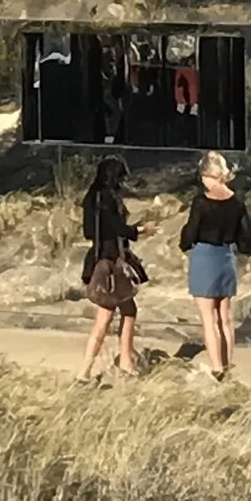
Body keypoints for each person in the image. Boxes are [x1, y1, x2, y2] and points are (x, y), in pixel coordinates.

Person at [178, 151, 251, 383]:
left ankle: (216, 367)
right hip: (226, 257)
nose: (202, 180)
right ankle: (227, 363)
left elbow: (190, 232)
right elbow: (247, 239)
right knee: (225, 317)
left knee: (208, 319)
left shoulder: (201, 202)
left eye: (203, 175)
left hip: (204, 256)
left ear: (211, 174)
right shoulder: (237, 202)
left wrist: (184, 244)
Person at [76, 156, 144, 381]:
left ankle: (123, 360)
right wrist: (138, 230)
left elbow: (90, 231)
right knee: (106, 316)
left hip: (98, 257)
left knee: (125, 310)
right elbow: (115, 227)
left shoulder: (90, 198)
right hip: (113, 259)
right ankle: (87, 369)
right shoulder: (108, 197)